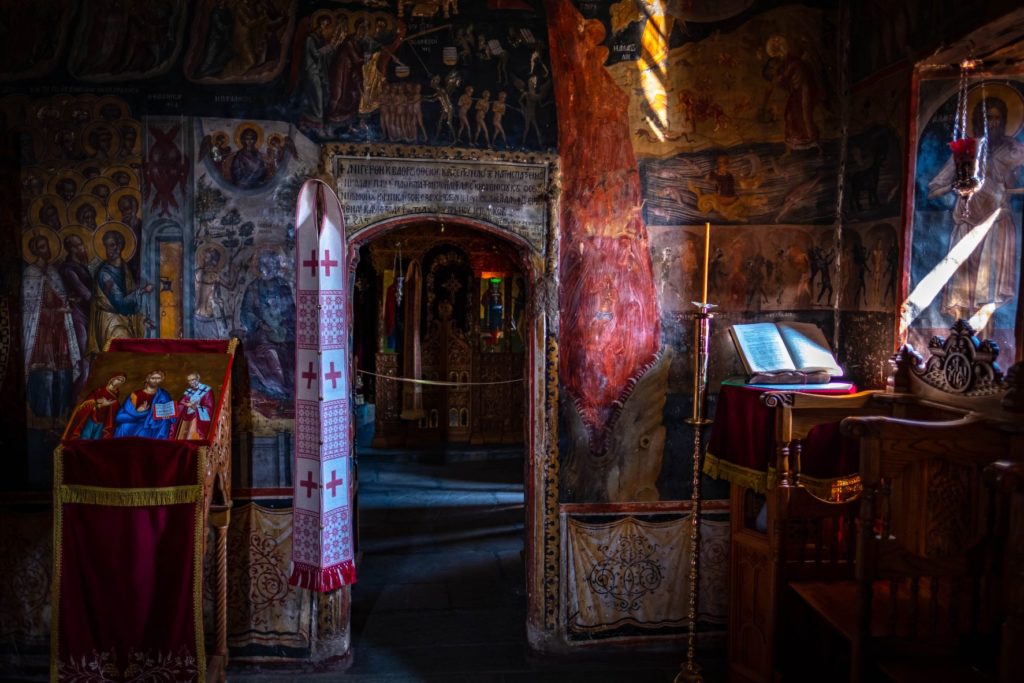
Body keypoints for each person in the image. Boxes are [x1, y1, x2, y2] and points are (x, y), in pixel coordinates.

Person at [928, 95, 1024, 324]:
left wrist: (1007, 187)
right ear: (979, 121)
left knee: (987, 296)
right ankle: (958, 338)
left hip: (996, 225)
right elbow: (934, 190)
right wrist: (957, 185)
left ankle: (985, 339)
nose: (993, 123)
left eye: (997, 118)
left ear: (1004, 120)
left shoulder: (1015, 150)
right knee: (961, 292)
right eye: (987, 118)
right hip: (966, 222)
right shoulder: (966, 152)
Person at [23, 233, 80, 429]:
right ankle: (43, 420)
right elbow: (31, 310)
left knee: (63, 374)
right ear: (34, 250)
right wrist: (56, 312)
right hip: (41, 335)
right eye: (41, 247)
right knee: (44, 375)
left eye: (46, 245)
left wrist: (67, 302)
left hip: (59, 333)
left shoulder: (53, 272)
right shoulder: (30, 273)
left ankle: (61, 417)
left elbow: (59, 297)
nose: (46, 250)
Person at [239, 251, 295, 400]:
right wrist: (260, 324)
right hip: (260, 333)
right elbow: (246, 312)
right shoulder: (254, 287)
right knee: (271, 355)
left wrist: (285, 327)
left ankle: (289, 390)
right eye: (264, 265)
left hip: (283, 331)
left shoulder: (283, 286)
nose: (268, 268)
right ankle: (278, 390)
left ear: (277, 266)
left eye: (272, 265)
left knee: (292, 353)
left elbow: (291, 311)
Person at [88, 229, 152, 355]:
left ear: (119, 246)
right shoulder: (104, 274)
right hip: (110, 321)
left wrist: (141, 319)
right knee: (122, 352)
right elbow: (120, 303)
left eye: (112, 245)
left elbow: (130, 300)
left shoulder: (124, 268)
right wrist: (143, 291)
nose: (109, 250)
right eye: (106, 246)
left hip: (122, 318)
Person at [58, 233, 94, 393]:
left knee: (90, 357)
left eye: (82, 244)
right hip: (77, 316)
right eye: (79, 245)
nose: (83, 248)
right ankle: (78, 399)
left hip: (86, 313)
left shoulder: (81, 266)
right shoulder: (68, 269)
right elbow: (84, 292)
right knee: (84, 358)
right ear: (71, 249)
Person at [114, 369, 175, 439]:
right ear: (147, 379)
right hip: (134, 419)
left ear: (161, 380)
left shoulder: (163, 394)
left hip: (152, 422)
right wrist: (139, 412)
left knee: (148, 430)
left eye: (158, 378)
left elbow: (169, 411)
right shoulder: (135, 395)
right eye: (153, 378)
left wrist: (166, 415)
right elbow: (122, 414)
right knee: (125, 426)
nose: (155, 380)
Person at [65, 373, 126, 440]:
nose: (119, 382)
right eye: (118, 379)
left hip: (102, 423)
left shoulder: (115, 398)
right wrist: (99, 404)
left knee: (95, 440)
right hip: (92, 418)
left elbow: (114, 413)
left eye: (122, 381)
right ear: (112, 379)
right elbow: (88, 402)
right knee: (85, 437)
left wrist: (108, 404)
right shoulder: (99, 390)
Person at [173, 372, 215, 440]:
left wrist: (194, 407)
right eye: (189, 380)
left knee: (193, 438)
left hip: (197, 419)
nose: (191, 382)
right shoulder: (188, 391)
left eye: (193, 379)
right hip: (185, 420)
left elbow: (209, 408)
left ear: (198, 379)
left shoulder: (206, 390)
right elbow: (181, 404)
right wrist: (180, 406)